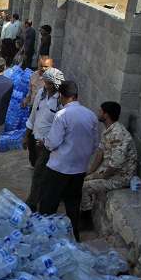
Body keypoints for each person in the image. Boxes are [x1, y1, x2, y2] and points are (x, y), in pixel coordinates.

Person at [39, 81, 100, 241]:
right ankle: (75, 237)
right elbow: (94, 144)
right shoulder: (91, 115)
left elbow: (52, 142)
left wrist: (45, 142)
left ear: (62, 96)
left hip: (59, 168)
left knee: (48, 203)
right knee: (73, 205)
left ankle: (44, 236)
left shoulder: (62, 115)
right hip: (79, 169)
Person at [81, 101, 138, 214]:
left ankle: (86, 216)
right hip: (109, 171)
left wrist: (95, 176)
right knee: (81, 177)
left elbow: (114, 166)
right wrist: (90, 172)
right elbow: (100, 152)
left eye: (100, 111)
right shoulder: (108, 130)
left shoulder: (119, 135)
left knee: (84, 186)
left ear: (106, 115)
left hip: (120, 177)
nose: (98, 113)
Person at [24, 67, 65, 210]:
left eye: (48, 83)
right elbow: (33, 116)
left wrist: (48, 142)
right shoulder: (41, 94)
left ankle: (32, 203)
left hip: (47, 144)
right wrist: (26, 135)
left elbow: (60, 127)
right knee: (39, 172)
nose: (45, 86)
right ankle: (40, 199)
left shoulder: (60, 101)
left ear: (55, 85)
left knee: (39, 174)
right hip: (35, 140)